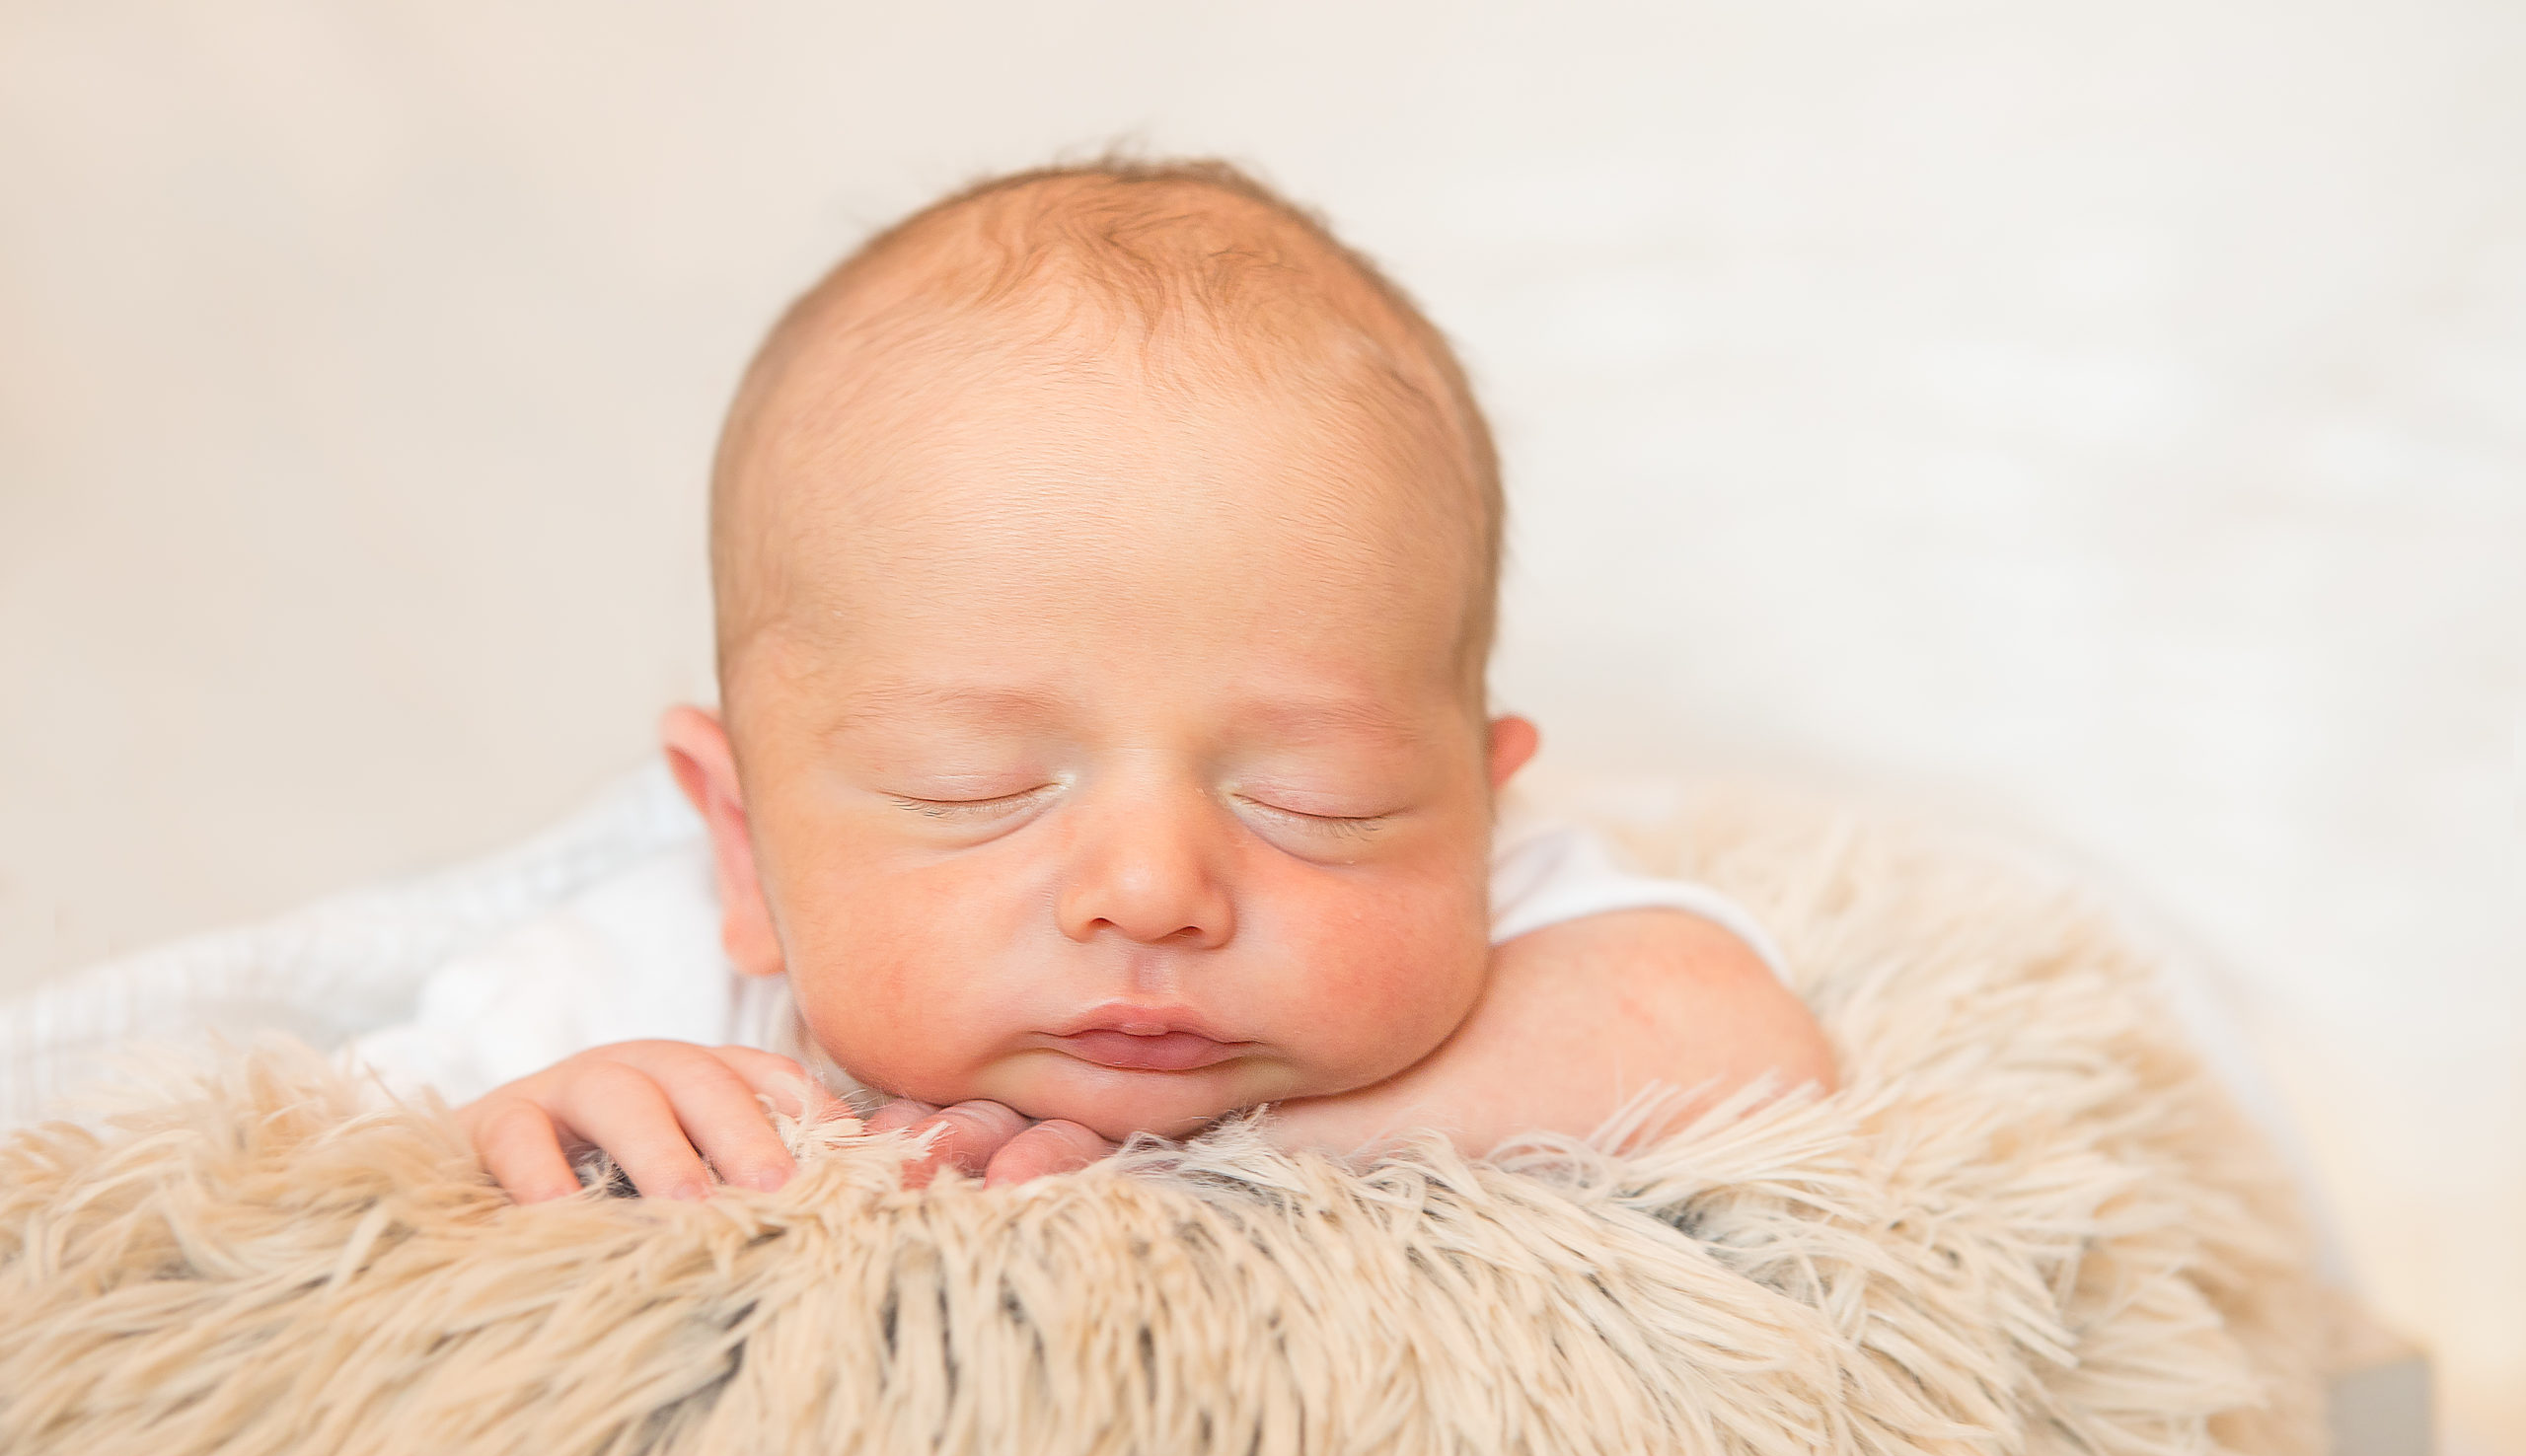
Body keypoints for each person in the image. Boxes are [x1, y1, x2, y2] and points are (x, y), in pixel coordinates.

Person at [366, 159, 1835, 1201]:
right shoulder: (629, 977)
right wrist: (549, 1115)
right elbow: (308, 1182)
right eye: (979, 787)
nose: (1151, 890)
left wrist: (1251, 1162)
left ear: (1471, 811)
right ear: (742, 845)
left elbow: (1734, 1037)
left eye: (1318, 802)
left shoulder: (1498, 934)